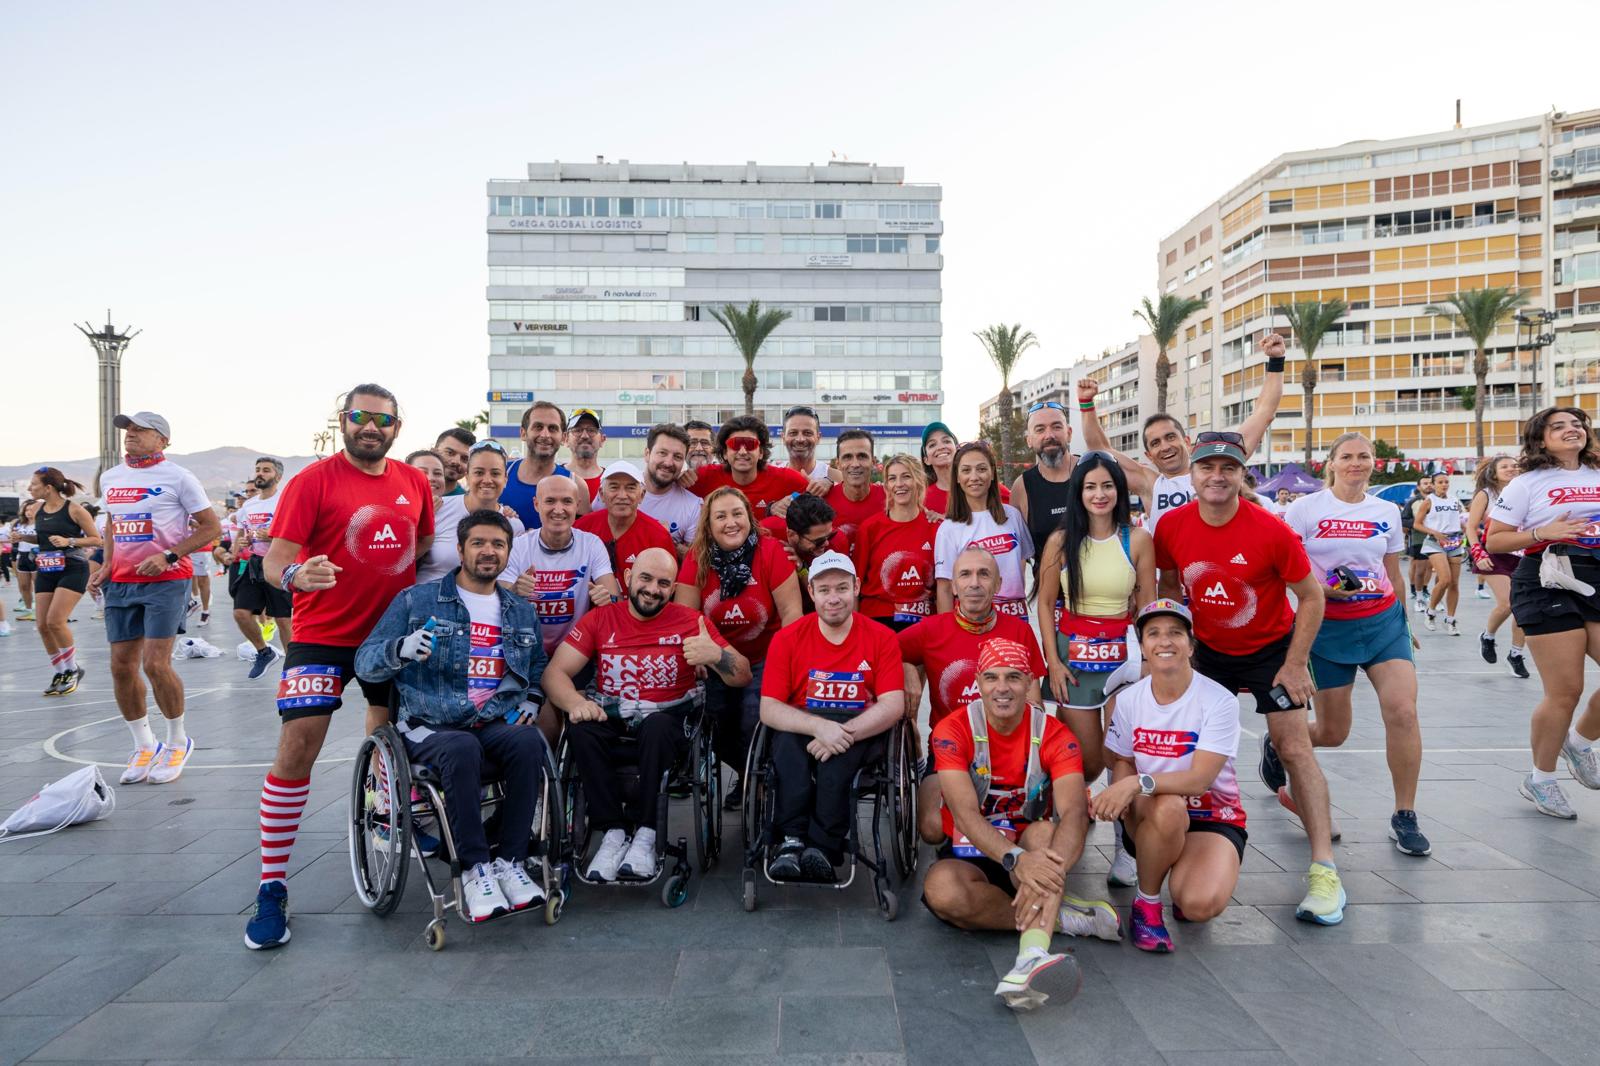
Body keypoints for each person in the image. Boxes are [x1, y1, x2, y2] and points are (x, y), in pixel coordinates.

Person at [244, 384, 435, 950]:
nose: (370, 426)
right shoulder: (312, 481)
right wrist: (296, 576)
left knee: (390, 741)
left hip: (390, 640)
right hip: (322, 637)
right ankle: (272, 885)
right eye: (359, 416)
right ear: (343, 423)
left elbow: (420, 545)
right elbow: (276, 558)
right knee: (297, 748)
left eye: (382, 418)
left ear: (397, 427)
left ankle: (388, 819)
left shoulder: (414, 482)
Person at [1152, 432, 1345, 924]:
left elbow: (1313, 597)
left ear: (1243, 475)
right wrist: (1174, 654)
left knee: (1295, 749)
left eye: (1228, 468)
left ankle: (1325, 871)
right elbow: (1171, 587)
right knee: (1184, 746)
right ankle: (1178, 840)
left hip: (1270, 652)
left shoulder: (1271, 530)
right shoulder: (1171, 526)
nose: (1217, 476)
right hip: (1209, 652)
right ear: (1191, 474)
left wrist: (1296, 663)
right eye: (1207, 467)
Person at [355, 509, 550, 920]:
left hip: (492, 720)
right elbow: (365, 661)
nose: (488, 551)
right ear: (460, 549)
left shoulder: (519, 609)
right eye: (478, 542)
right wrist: (400, 650)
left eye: (498, 544)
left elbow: (535, 667)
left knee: (530, 740)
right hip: (430, 723)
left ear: (508, 553)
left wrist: (532, 698)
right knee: (460, 747)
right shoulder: (416, 600)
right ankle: (475, 868)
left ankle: (511, 863)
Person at [544, 547, 750, 881]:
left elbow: (742, 674)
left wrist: (715, 655)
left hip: (667, 722)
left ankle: (646, 832)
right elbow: (555, 674)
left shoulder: (689, 621)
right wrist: (574, 703)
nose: (653, 589)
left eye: (664, 583)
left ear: (673, 589)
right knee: (581, 729)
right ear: (627, 578)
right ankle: (611, 832)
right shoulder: (600, 619)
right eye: (645, 578)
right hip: (612, 717)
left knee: (656, 727)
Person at [921, 637, 1099, 1011]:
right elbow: (966, 815)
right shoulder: (952, 730)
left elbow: (1073, 813)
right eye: (991, 677)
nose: (1002, 688)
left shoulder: (1055, 734)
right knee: (941, 891)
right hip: (977, 846)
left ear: (1031, 681)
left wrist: (1049, 867)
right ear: (979, 683)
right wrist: (1018, 859)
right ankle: (1059, 918)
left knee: (1048, 834)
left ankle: (1030, 957)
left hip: (1032, 843)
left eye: (1014, 677)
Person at [1284, 433, 1430, 856]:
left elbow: (1393, 572)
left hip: (1383, 622)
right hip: (1326, 627)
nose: (1355, 463)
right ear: (1330, 464)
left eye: (1363, 456)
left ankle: (1405, 814)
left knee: (1403, 711)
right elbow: (1289, 570)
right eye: (1346, 456)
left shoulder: (1385, 510)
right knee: (1333, 732)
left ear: (1373, 463)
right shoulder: (1305, 509)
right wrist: (1323, 592)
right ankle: (1283, 741)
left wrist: (1405, 620)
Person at [1094, 599, 1247, 952]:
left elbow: (1198, 781)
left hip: (1211, 815)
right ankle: (1145, 905)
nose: (1165, 641)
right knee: (1169, 809)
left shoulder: (1219, 700)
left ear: (1191, 645)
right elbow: (1121, 760)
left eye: (1176, 633)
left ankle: (1182, 872)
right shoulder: (1129, 700)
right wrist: (1119, 792)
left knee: (1198, 905)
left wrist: (1137, 782)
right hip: (1153, 813)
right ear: (1144, 646)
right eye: (1154, 634)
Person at [89, 412, 221, 788]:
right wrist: (106, 565)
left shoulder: (179, 477)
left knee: (156, 664)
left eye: (140, 429)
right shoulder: (112, 478)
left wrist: (169, 556)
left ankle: (178, 740)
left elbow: (211, 527)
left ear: (162, 439)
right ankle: (143, 745)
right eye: (127, 429)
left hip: (166, 580)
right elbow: (113, 525)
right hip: (122, 582)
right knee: (120, 666)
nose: (130, 434)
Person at [759, 551, 904, 883]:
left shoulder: (881, 637)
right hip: (804, 720)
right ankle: (791, 841)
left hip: (859, 724)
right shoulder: (788, 638)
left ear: (856, 587)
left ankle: (823, 847)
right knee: (787, 747)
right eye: (824, 590)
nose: (833, 598)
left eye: (841, 588)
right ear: (811, 593)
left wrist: (844, 732)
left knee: (838, 759)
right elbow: (769, 707)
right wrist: (819, 726)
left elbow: (893, 705)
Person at [1486, 406, 1600, 820]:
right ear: (1541, 439)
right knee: (1565, 690)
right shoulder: (1527, 483)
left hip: (1596, 577)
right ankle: (1541, 778)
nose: (1572, 430)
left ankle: (1581, 742)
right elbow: (1494, 541)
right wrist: (1541, 532)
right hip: (1547, 577)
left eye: (1577, 425)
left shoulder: (1597, 475)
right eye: (1559, 427)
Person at [901, 546, 1045, 843]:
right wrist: (905, 668)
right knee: (929, 828)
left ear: (998, 584)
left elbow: (1035, 707)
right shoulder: (931, 630)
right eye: (965, 575)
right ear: (953, 585)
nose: (974, 583)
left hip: (1011, 756)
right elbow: (881, 651)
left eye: (984, 574)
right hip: (950, 753)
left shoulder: (1019, 632)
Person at [1079, 332, 1287, 535]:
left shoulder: (1218, 465)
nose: (1165, 446)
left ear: (1187, 441)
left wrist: (1276, 361)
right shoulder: (1151, 484)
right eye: (1155, 443)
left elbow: (1263, 413)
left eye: (1170, 437)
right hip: (1170, 570)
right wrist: (1087, 403)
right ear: (1148, 456)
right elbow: (1100, 449)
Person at [675, 486, 802, 808]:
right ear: (709, 524)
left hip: (766, 654)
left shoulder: (770, 552)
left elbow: (791, 614)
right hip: (717, 657)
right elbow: (687, 616)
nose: (730, 522)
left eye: (737, 514)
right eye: (721, 516)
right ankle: (751, 774)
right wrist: (700, 656)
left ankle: (758, 782)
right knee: (715, 723)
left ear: (749, 517)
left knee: (752, 715)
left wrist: (785, 662)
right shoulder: (697, 558)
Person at [1035, 453, 1155, 778]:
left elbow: (1148, 609)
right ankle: (1073, 804)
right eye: (1090, 487)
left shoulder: (1138, 540)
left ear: (1119, 490)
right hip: (1073, 658)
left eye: (1107, 486)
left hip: (1123, 656)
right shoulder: (1060, 542)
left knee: (1119, 754)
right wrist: (1053, 663)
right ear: (1079, 492)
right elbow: (1045, 604)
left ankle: (1124, 824)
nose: (1099, 495)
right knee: (1088, 763)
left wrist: (1148, 660)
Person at [502, 474, 620, 667]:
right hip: (524, 651)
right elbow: (496, 601)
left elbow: (616, 603)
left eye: (567, 501)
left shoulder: (591, 544)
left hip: (575, 652)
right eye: (550, 501)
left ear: (577, 505)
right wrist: (514, 591)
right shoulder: (518, 545)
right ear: (536, 504)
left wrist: (607, 599)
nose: (559, 510)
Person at [25, 467, 102, 695]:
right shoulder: (38, 508)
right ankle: (60, 671)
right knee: (42, 625)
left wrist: (69, 541)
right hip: (47, 568)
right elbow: (43, 538)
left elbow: (96, 540)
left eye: (34, 484)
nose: (30, 488)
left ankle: (72, 669)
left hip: (73, 568)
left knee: (56, 621)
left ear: (48, 488)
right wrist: (25, 538)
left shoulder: (75, 509)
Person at [934, 442, 1033, 617]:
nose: (974, 477)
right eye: (966, 470)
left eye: (981, 469)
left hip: (1014, 617)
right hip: (972, 621)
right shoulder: (948, 529)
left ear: (992, 473)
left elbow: (1022, 561)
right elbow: (944, 589)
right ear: (957, 477)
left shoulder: (1012, 516)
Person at [224, 457, 295, 680]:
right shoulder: (249, 505)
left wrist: (274, 535)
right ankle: (263, 652)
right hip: (255, 563)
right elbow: (244, 532)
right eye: (257, 470)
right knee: (240, 613)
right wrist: (242, 544)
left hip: (280, 563)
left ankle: (293, 669)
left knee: (283, 619)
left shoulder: (285, 501)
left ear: (278, 477)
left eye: (266, 470)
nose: (260, 474)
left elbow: (299, 531)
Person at [417, 440, 524, 584]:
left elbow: (508, 577)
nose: (487, 480)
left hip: (479, 603)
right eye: (479, 472)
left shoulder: (514, 525)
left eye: (495, 473)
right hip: (427, 600)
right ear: (467, 476)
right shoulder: (439, 508)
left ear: (505, 479)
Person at [853, 453, 939, 630]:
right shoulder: (870, 528)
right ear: (886, 486)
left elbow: (944, 588)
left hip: (922, 621)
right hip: (877, 621)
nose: (899, 484)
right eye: (892, 478)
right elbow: (855, 585)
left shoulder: (937, 528)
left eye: (906, 476)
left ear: (918, 481)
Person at [1466, 455, 1529, 677]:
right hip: (1493, 554)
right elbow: (1471, 528)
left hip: (1522, 554)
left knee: (1522, 607)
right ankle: (1488, 636)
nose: (1511, 469)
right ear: (1494, 472)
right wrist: (1477, 553)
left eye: (1514, 466)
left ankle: (1516, 654)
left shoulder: (1525, 491)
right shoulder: (1486, 495)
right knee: (1508, 603)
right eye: (1505, 466)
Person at [574, 460, 676, 587]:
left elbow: (667, 587)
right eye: (614, 487)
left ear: (642, 495)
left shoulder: (658, 536)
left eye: (631, 488)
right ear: (601, 494)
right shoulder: (582, 528)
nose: (622, 495)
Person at [687, 415, 809, 520]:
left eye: (750, 444)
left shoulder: (785, 478)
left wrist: (827, 481)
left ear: (761, 452)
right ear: (725, 452)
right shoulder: (704, 477)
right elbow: (671, 490)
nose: (743, 451)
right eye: (735, 444)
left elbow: (815, 498)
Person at [500, 401, 591, 530]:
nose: (545, 435)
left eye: (552, 428)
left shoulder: (576, 484)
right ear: (523, 433)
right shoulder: (500, 473)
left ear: (563, 437)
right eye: (538, 427)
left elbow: (581, 540)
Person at [1010, 400, 1077, 567]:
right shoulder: (1022, 487)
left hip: (1098, 589)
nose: (1049, 435)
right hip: (1046, 590)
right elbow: (1018, 553)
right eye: (1040, 429)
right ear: (1029, 440)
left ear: (1068, 433)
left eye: (1056, 427)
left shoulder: (1090, 472)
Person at [808, 429, 883, 556]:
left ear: (873, 462)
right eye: (847, 457)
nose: (855, 464)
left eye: (862, 456)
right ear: (838, 463)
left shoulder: (890, 499)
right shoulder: (822, 502)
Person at [761, 493, 847, 602]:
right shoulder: (767, 532)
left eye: (829, 536)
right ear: (792, 534)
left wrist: (802, 570)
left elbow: (832, 598)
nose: (826, 543)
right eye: (818, 541)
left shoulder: (837, 540)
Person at [637, 423, 702, 556]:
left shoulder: (693, 505)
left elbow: (693, 561)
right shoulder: (619, 490)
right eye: (662, 453)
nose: (668, 462)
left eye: (677, 457)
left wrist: (665, 539)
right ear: (647, 454)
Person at [1413, 472, 1466, 634]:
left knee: (1454, 584)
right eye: (1440, 482)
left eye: (1446, 482)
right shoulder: (1429, 501)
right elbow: (1417, 524)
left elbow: (1462, 519)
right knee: (1444, 579)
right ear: (1434, 484)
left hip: (1454, 542)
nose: (1444, 484)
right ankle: (1431, 611)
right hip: (1435, 542)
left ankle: (1450, 620)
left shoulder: (1455, 500)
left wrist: (1466, 532)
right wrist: (1434, 532)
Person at [921, 421, 1009, 515]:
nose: (941, 447)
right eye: (932, 445)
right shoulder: (922, 499)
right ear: (926, 460)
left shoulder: (988, 487)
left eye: (946, 441)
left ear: (957, 449)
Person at [771, 404, 834, 492]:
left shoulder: (834, 476)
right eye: (793, 433)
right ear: (783, 438)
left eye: (807, 433)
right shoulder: (772, 477)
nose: (800, 439)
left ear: (818, 438)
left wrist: (831, 481)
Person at [1404, 478, 1434, 611]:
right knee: (1417, 566)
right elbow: (1404, 519)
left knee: (1430, 566)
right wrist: (1418, 524)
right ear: (1419, 486)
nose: (1428, 486)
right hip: (1418, 537)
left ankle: (1425, 589)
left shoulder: (1437, 500)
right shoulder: (1413, 501)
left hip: (1435, 536)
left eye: (1430, 483)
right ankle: (1414, 590)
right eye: (1425, 483)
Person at [565, 407, 606, 499]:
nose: (585, 436)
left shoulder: (611, 480)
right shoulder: (554, 477)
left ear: (602, 440)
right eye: (577, 430)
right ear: (566, 439)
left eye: (591, 430)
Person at [12, 502, 39, 621]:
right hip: (22, 555)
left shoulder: (41, 524)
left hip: (36, 555)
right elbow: (14, 540)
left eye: (31, 510)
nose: (28, 512)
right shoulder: (21, 525)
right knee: (24, 586)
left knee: (38, 586)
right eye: (26, 510)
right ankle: (29, 610)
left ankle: (39, 611)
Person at [434, 427, 475, 497]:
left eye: (464, 458)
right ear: (433, 451)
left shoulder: (468, 505)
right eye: (450, 453)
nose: (456, 461)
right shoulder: (411, 491)